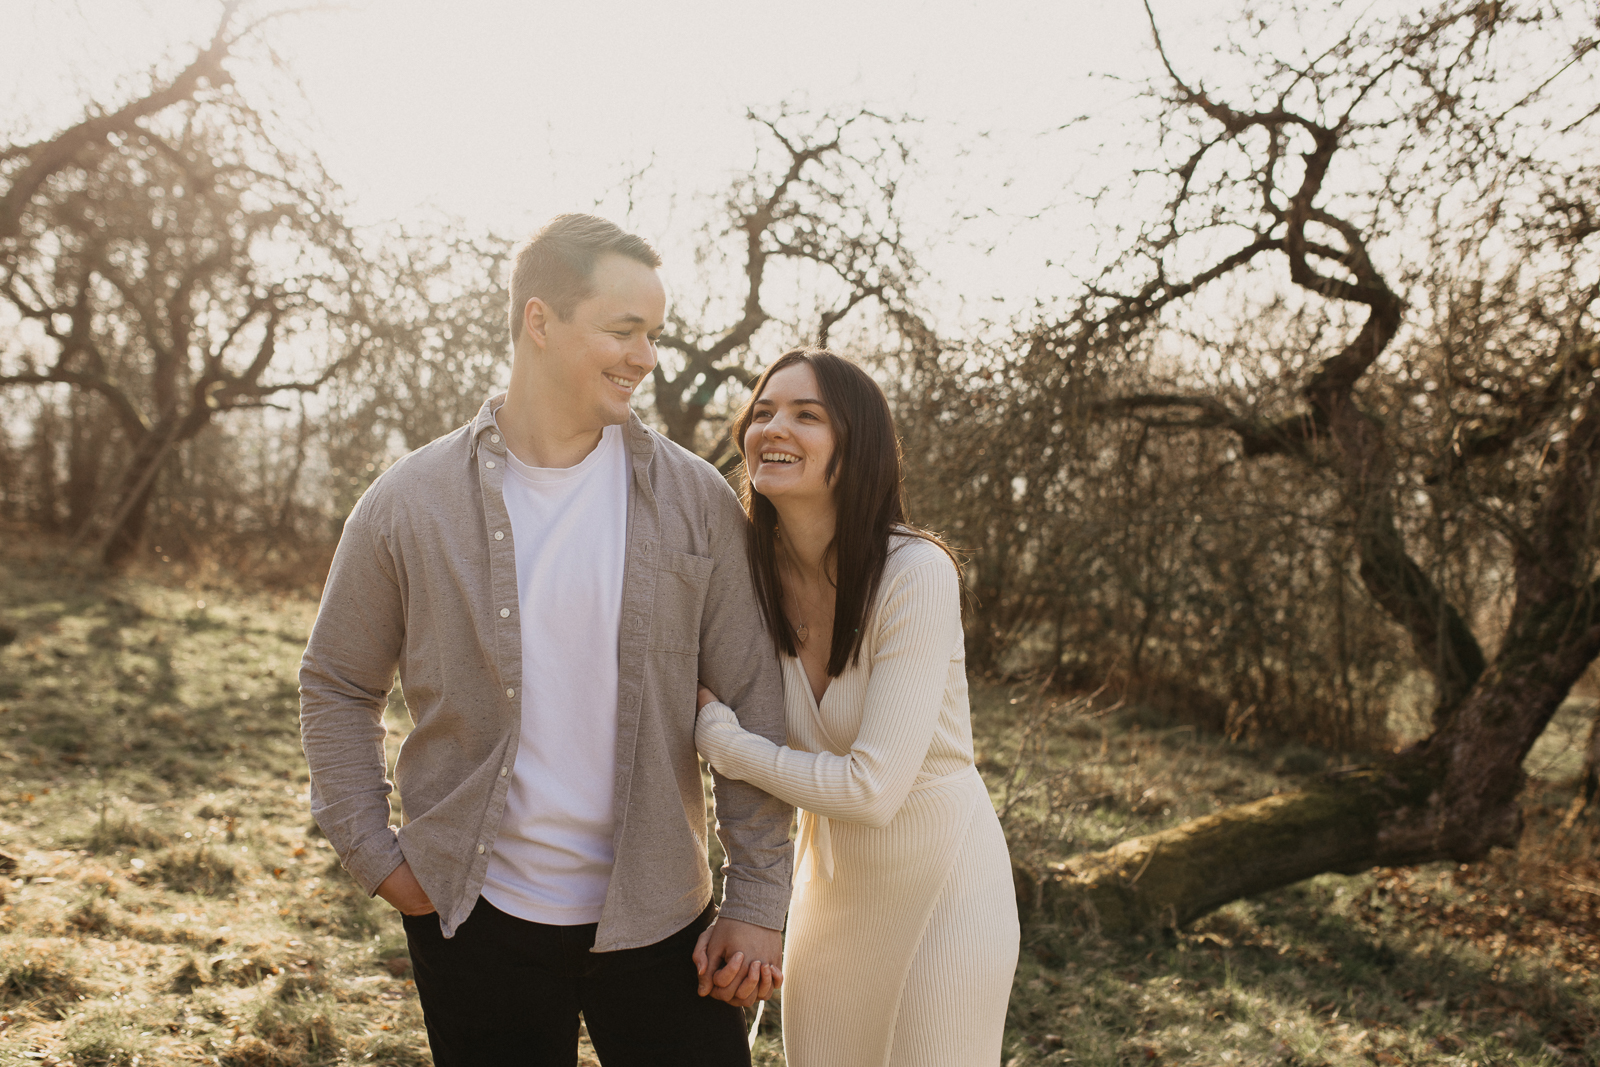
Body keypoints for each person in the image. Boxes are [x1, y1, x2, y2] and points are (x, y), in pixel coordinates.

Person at [299, 213, 792, 1067]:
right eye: (623, 329)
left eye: (654, 334)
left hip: (663, 915)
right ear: (540, 320)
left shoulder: (696, 500)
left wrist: (756, 899)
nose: (645, 356)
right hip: (472, 916)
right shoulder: (409, 502)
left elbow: (754, 700)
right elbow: (338, 681)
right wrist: (374, 853)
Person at [693, 347, 1020, 1067]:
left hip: (946, 885)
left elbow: (872, 789)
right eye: (763, 411)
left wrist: (726, 744)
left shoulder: (916, 572)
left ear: (858, 443)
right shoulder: (748, 576)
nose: (774, 427)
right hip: (832, 891)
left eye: (807, 414)